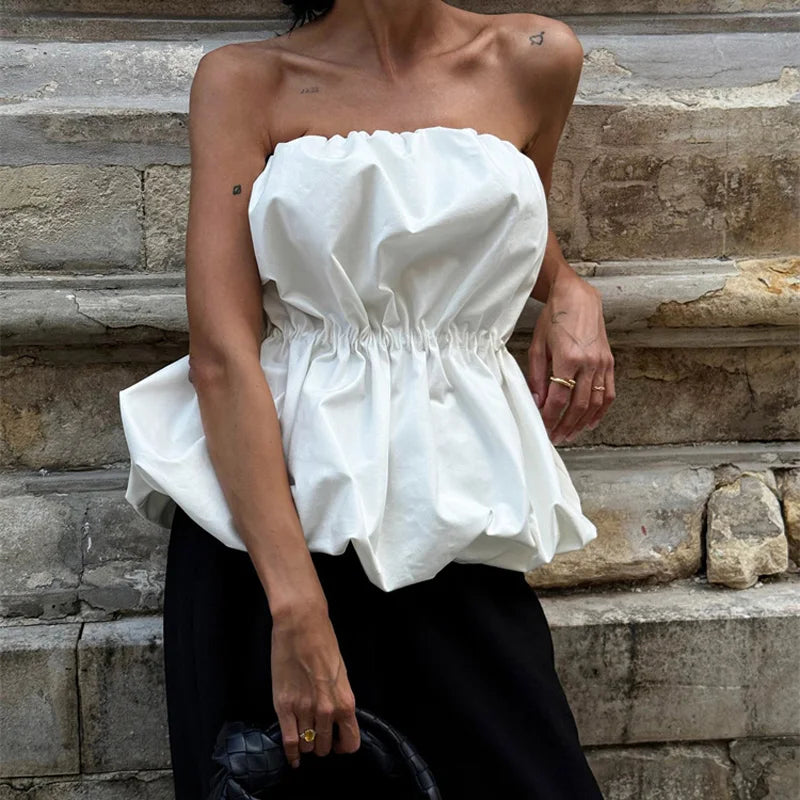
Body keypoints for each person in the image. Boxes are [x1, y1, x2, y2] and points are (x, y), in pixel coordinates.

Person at [118, 1, 615, 797]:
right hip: (276, 535)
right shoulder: (245, 81)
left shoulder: (535, 56)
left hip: (455, 510)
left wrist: (568, 287)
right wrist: (298, 611)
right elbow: (221, 355)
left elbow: (505, 211)